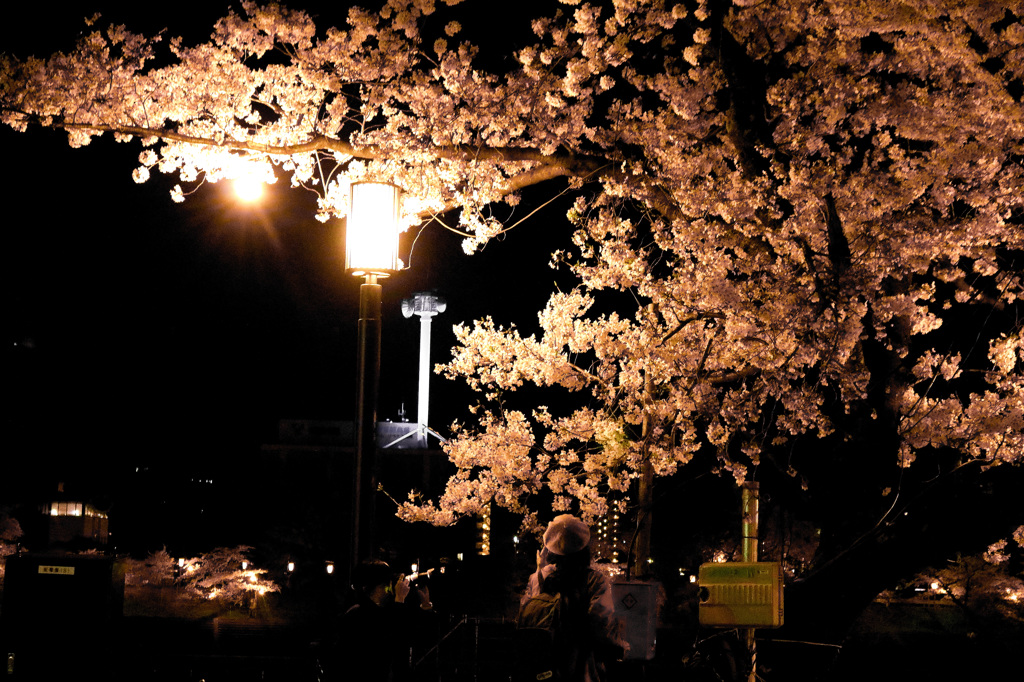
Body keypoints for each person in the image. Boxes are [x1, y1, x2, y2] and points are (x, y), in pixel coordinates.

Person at [519, 515, 628, 682]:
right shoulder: (594, 580)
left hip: (542, 664)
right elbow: (601, 624)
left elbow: (526, 612)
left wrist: (539, 568)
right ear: (583, 548)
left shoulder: (538, 577)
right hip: (579, 665)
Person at [326, 559, 434, 681]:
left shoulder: (383, 612)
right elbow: (389, 641)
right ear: (368, 587)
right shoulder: (358, 615)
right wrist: (399, 600)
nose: (388, 588)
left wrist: (425, 605)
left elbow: (413, 635)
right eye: (383, 585)